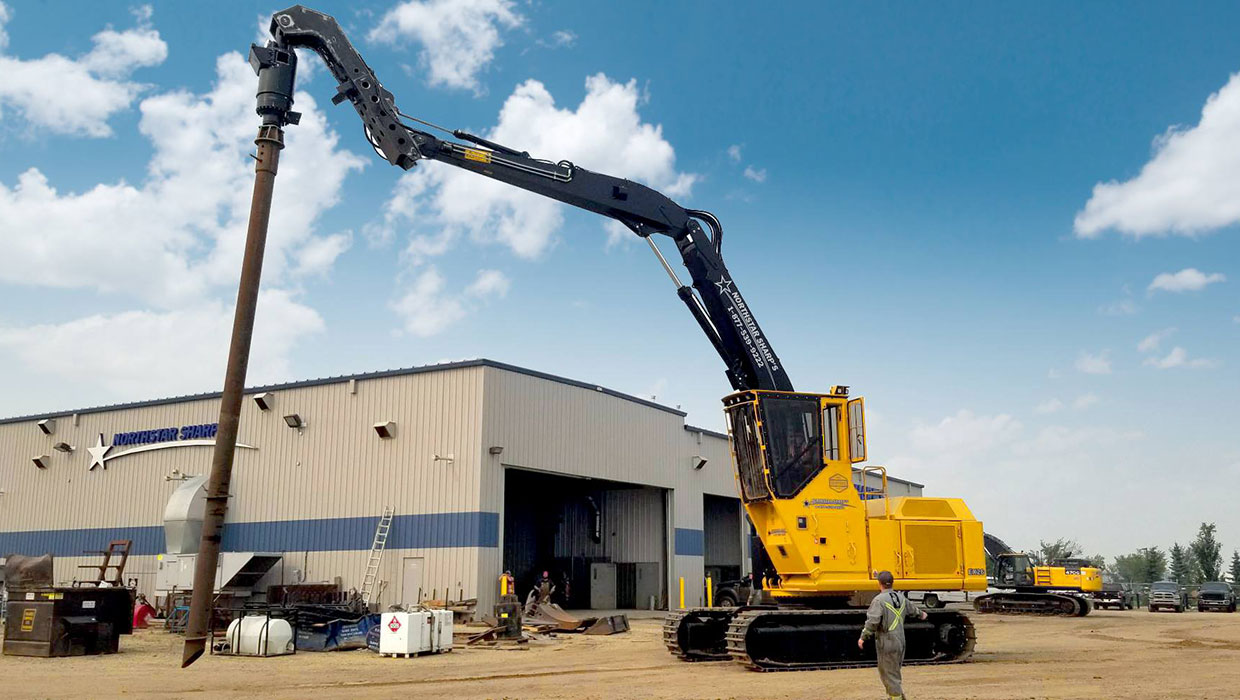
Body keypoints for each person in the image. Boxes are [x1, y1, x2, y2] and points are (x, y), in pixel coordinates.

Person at [858, 570, 927, 700]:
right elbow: (916, 611)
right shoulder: (901, 598)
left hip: (887, 641)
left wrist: (863, 637)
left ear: (879, 583)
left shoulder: (878, 600)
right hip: (900, 641)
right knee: (894, 672)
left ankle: (896, 697)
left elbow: (872, 622)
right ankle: (895, 697)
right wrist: (923, 614)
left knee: (889, 675)